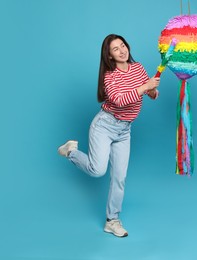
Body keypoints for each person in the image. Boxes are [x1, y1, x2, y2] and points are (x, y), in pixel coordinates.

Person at [58, 34, 160, 238]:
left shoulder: (138, 68)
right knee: (97, 170)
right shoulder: (109, 77)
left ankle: (112, 220)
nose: (122, 50)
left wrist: (152, 91)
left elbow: (149, 93)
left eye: (123, 45)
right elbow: (120, 100)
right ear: (110, 56)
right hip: (104, 126)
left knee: (119, 177)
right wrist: (144, 87)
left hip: (125, 130)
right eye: (116, 49)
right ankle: (71, 152)